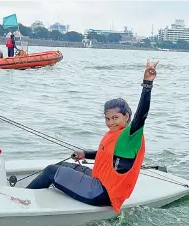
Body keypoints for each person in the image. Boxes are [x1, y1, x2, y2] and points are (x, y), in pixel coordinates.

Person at [27, 59, 159, 213]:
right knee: (61, 166)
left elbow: (142, 114)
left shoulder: (131, 135)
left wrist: (147, 84)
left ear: (127, 117)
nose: (110, 123)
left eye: (115, 118)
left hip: (103, 193)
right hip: (99, 179)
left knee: (51, 171)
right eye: (107, 118)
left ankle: (22, 200)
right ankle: (39, 193)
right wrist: (84, 154)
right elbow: (107, 155)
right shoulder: (114, 133)